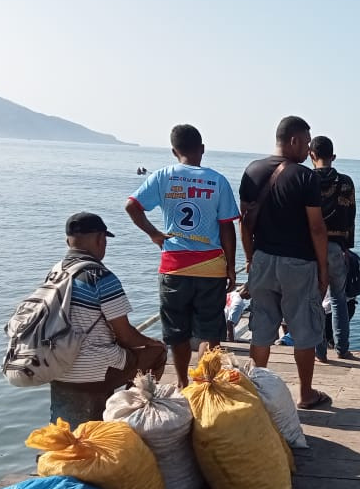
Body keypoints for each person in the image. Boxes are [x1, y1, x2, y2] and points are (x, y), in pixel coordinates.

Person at [126, 124, 238, 387]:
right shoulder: (217, 180)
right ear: (202, 149)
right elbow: (226, 226)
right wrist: (231, 266)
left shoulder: (164, 176)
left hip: (174, 266)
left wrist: (154, 234)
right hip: (210, 267)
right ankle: (208, 382)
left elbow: (132, 206)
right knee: (210, 331)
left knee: (177, 331)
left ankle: (181, 382)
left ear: (174, 151)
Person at [239, 115, 330, 410]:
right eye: (305, 142)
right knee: (303, 328)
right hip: (298, 264)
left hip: (263, 259)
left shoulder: (251, 171)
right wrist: (324, 269)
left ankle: (256, 393)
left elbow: (245, 222)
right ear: (293, 140)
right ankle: (305, 394)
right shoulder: (305, 177)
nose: (307, 149)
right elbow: (317, 228)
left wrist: (250, 258)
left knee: (262, 326)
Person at [49, 213, 167, 429]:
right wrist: (152, 342)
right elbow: (127, 336)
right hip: (94, 373)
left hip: (56, 367)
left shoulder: (55, 273)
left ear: (68, 241)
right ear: (100, 239)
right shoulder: (101, 277)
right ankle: (132, 414)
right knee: (157, 353)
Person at [308, 135, 357, 361]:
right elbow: (351, 216)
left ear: (312, 155)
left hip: (311, 248)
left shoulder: (306, 179)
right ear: (333, 156)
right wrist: (347, 246)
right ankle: (343, 348)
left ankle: (319, 352)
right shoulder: (346, 182)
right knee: (338, 298)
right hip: (338, 246)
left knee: (315, 299)